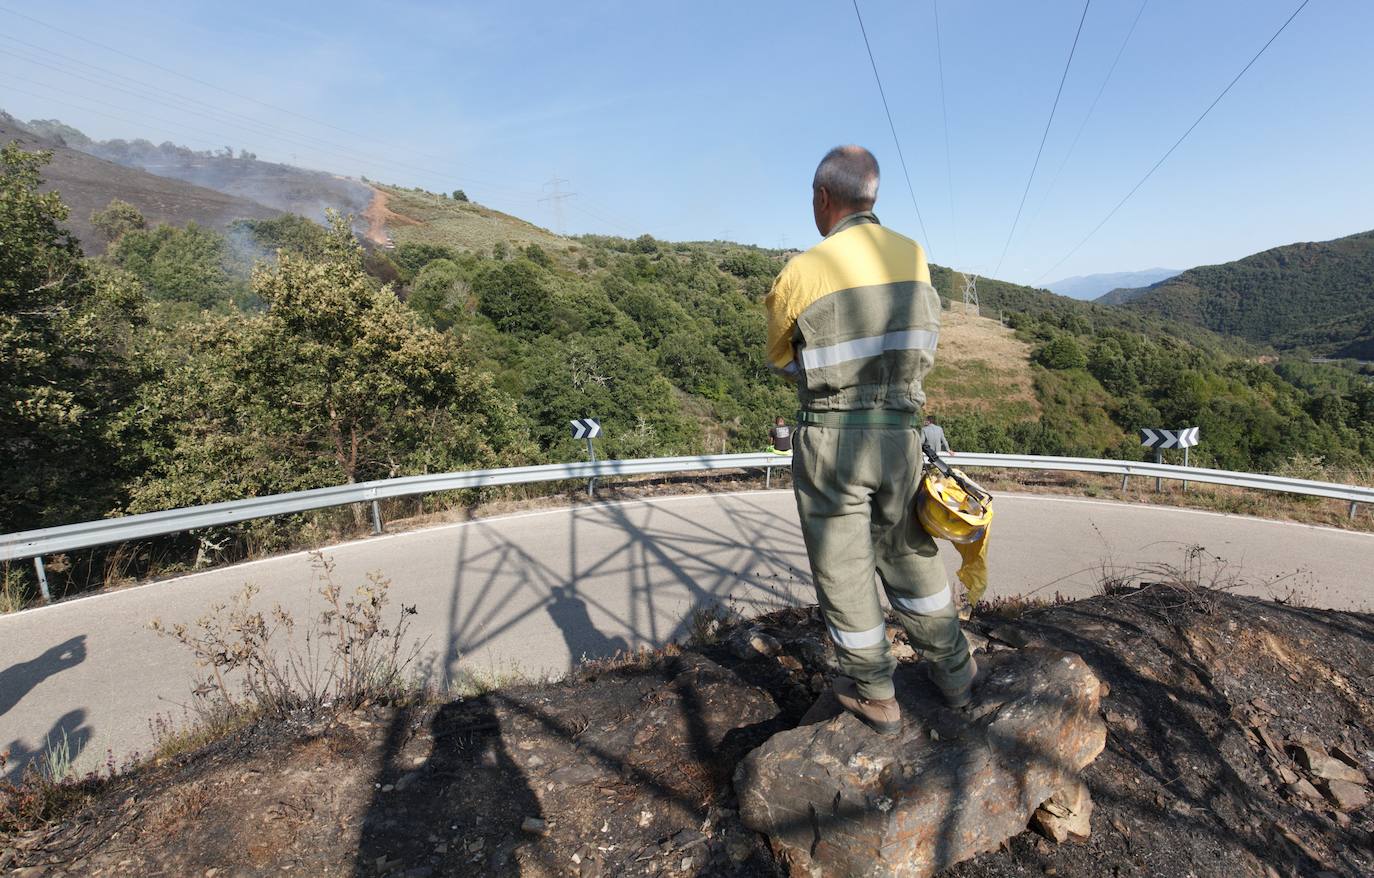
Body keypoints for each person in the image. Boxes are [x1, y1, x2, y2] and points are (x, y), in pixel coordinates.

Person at [764, 145, 974, 735]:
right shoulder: (912, 254)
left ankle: (874, 692)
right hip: (902, 435)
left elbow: (783, 359)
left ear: (823, 198)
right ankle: (955, 675)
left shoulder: (805, 269)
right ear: (871, 197)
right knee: (908, 551)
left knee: (844, 566)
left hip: (834, 439)